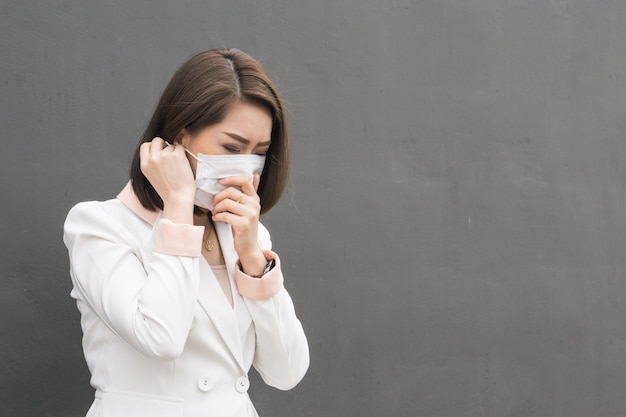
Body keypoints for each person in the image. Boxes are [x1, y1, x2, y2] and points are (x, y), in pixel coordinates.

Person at [63, 49, 309, 417]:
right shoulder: (100, 226)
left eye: (259, 152)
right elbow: (159, 337)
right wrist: (177, 204)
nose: (245, 163)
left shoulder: (247, 238)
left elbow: (287, 372)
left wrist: (253, 259)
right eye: (231, 147)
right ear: (180, 135)